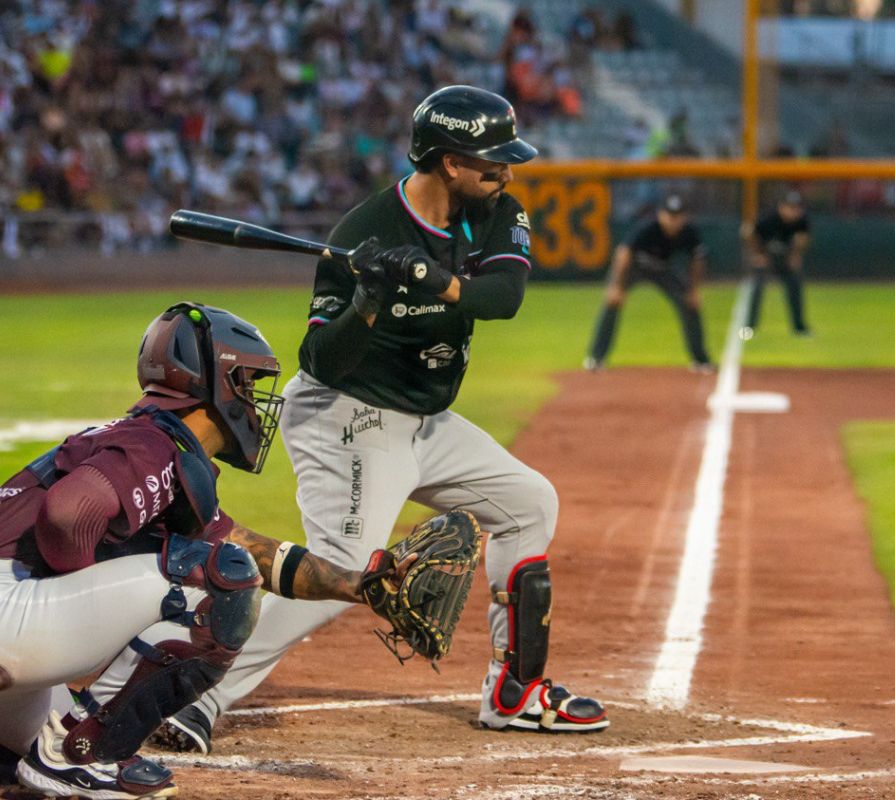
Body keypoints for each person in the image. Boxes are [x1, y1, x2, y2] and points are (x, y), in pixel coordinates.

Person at [154, 85, 608, 754]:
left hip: (425, 419)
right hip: (348, 416)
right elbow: (322, 360)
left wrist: (431, 280)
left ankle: (517, 693)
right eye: (491, 161)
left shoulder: (497, 213)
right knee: (343, 572)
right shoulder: (361, 234)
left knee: (527, 503)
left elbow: (502, 298)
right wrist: (366, 298)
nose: (506, 174)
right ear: (449, 163)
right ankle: (197, 692)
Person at [0, 302, 417, 799]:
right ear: (222, 384)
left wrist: (361, 585)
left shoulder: (147, 443)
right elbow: (68, 515)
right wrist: (81, 594)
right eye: (251, 383)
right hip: (13, 616)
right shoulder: (155, 445)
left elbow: (257, 552)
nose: (256, 402)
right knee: (221, 581)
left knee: (24, 751)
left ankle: (35, 752)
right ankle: (81, 756)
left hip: (17, 620)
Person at [585, 193, 714, 372]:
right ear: (660, 214)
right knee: (612, 302)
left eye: (678, 216)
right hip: (634, 267)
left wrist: (693, 290)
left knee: (690, 303)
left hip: (663, 269)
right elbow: (624, 255)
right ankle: (596, 358)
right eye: (669, 215)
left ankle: (701, 359)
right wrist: (617, 286)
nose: (673, 221)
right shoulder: (647, 228)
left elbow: (698, 260)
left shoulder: (688, 232)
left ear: (684, 217)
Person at [741, 189, 812, 340]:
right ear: (782, 206)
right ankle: (749, 327)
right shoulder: (768, 219)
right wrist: (758, 255)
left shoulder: (802, 220)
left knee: (795, 286)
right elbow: (748, 233)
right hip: (765, 255)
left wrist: (795, 256)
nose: (794, 211)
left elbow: (803, 239)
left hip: (785, 257)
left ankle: (799, 327)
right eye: (790, 207)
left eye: (796, 208)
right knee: (757, 288)